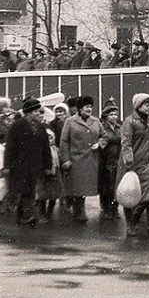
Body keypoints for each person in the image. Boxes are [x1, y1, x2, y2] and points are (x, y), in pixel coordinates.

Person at [117, 93, 149, 236]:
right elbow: (126, 142)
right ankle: (131, 224)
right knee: (133, 196)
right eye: (146, 105)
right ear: (138, 106)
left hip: (147, 163)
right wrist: (129, 160)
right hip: (133, 164)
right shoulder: (129, 122)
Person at [3, 98, 52, 226]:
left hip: (35, 165)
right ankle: (27, 215)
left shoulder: (41, 127)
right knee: (24, 190)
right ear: (29, 112)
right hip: (20, 165)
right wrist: (7, 166)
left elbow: (46, 148)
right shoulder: (17, 126)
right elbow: (10, 148)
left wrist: (48, 165)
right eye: (36, 111)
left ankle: (22, 215)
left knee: (29, 189)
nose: (39, 113)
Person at [60, 95, 102, 223]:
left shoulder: (96, 121)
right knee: (76, 186)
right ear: (80, 108)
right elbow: (64, 141)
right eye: (86, 107)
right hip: (75, 159)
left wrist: (100, 143)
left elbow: (104, 136)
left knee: (83, 187)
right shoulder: (70, 121)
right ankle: (77, 209)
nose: (89, 109)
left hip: (90, 160)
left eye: (90, 106)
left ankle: (79, 209)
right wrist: (65, 159)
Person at [98, 98, 122, 220]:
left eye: (115, 114)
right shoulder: (102, 127)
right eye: (111, 114)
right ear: (106, 116)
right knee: (107, 185)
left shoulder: (119, 127)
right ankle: (107, 208)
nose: (114, 117)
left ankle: (115, 208)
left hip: (117, 159)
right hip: (105, 159)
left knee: (116, 185)